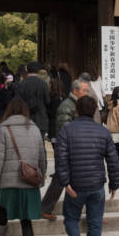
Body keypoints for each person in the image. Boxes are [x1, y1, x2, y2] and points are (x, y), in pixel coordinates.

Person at [55, 95, 119, 236]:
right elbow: (113, 160)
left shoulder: (67, 129)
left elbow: (60, 158)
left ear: (77, 109)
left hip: (75, 185)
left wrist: (65, 182)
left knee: (70, 218)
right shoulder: (103, 131)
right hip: (96, 184)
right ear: (94, 111)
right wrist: (115, 184)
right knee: (95, 223)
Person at [0, 97, 47, 236]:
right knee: (26, 220)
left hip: (9, 181)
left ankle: (0, 234)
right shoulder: (35, 129)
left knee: (3, 204)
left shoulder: (4, 129)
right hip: (29, 182)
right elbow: (42, 157)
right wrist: (41, 177)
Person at [42, 78, 90, 220]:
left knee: (80, 179)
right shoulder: (67, 106)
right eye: (84, 90)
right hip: (68, 149)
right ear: (75, 90)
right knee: (60, 178)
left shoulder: (77, 105)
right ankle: (45, 207)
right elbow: (66, 131)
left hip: (76, 148)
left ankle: (91, 213)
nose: (87, 93)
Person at [17, 62, 50, 137]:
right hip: (40, 117)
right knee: (40, 144)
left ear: (27, 70)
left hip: (25, 117)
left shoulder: (21, 84)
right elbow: (47, 101)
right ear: (38, 70)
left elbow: (18, 102)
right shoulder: (43, 84)